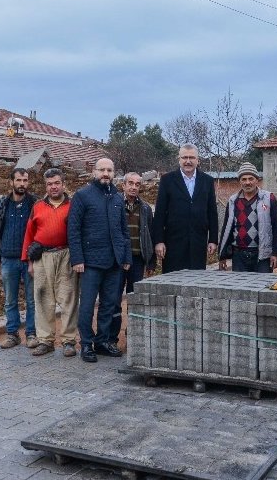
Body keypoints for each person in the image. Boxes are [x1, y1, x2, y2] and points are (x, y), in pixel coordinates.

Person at [68, 157, 130, 363]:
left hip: (114, 262)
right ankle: (86, 343)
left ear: (114, 173)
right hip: (90, 263)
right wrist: (77, 259)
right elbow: (73, 230)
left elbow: (123, 231)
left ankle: (102, 342)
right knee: (87, 306)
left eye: (109, 170)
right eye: (102, 170)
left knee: (109, 304)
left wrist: (125, 256)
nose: (106, 174)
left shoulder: (117, 198)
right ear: (94, 172)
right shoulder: (82, 196)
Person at [21, 168, 77, 357]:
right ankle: (46, 340)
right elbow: (29, 234)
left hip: (66, 256)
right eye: (49, 184)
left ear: (63, 184)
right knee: (43, 299)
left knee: (68, 299)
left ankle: (69, 341)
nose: (53, 187)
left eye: (57, 183)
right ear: (45, 186)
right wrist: (29, 262)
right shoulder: (37, 206)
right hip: (42, 257)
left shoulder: (73, 205)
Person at [0, 167, 36, 349]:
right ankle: (12, 334)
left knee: (31, 300)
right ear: (11, 182)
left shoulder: (34, 204)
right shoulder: (2, 204)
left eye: (25, 180)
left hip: (29, 260)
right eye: (18, 180)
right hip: (8, 259)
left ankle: (31, 334)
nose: (22, 184)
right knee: (10, 300)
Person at [153, 144, 219, 273]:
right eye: (184, 157)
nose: (188, 161)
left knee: (196, 281)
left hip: (198, 243)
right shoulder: (167, 180)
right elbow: (160, 213)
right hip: (173, 243)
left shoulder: (207, 181)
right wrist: (159, 241)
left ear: (198, 160)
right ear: (179, 159)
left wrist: (213, 240)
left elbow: (212, 212)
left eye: (192, 157)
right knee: (172, 281)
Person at [107, 171, 155, 345]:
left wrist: (151, 262)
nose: (134, 187)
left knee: (135, 299)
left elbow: (150, 236)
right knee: (114, 299)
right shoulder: (114, 204)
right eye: (131, 183)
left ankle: (134, 335)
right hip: (117, 261)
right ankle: (112, 338)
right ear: (124, 185)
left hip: (137, 261)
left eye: (137, 184)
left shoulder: (145, 208)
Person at [217, 162, 277, 273]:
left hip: (262, 255)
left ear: (257, 180)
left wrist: (275, 253)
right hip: (239, 255)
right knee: (239, 284)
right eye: (244, 179)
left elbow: (276, 227)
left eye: (251, 179)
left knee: (263, 284)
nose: (247, 182)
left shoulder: (268, 198)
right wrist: (222, 255)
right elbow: (227, 228)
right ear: (240, 181)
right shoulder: (233, 201)